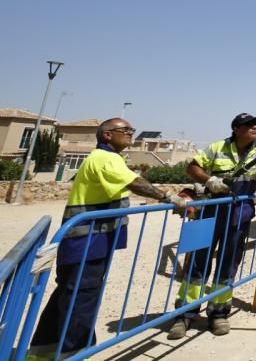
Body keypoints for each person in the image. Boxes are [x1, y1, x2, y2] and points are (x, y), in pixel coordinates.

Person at [28, 118, 187, 358]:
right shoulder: (106, 158)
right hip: (88, 239)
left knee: (68, 292)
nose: (131, 134)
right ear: (107, 135)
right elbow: (135, 183)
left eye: (132, 130)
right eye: (125, 130)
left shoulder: (107, 158)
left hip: (86, 237)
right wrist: (170, 198)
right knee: (83, 296)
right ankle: (75, 352)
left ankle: (43, 349)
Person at [168, 113, 256, 338]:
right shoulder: (217, 147)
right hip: (208, 212)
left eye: (255, 124)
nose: (254, 127)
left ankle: (218, 314)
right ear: (236, 129)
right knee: (198, 262)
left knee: (228, 265)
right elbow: (192, 167)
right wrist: (209, 180)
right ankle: (185, 314)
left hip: (239, 215)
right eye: (248, 125)